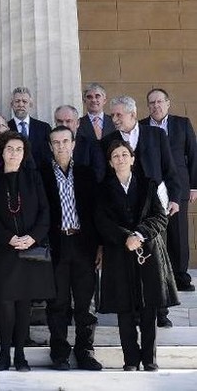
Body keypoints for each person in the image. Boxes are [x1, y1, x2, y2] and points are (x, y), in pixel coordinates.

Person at [95, 140, 178, 372]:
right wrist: (126, 237)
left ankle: (150, 360)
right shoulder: (102, 189)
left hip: (148, 253)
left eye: (124, 154)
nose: (120, 159)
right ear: (110, 163)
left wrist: (139, 234)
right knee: (125, 310)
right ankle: (130, 360)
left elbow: (160, 217)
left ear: (132, 159)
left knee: (149, 308)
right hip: (119, 254)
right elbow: (101, 221)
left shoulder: (149, 184)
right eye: (115, 156)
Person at [101, 95, 181, 328]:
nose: (114, 119)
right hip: (124, 211)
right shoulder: (108, 140)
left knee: (157, 259)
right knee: (131, 262)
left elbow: (170, 169)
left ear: (133, 114)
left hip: (154, 208)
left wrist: (175, 198)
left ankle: (161, 311)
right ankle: (135, 308)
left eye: (118, 115)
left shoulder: (156, 135)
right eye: (112, 115)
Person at [0, 131, 55, 372]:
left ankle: (21, 355)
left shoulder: (33, 177)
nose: (14, 153)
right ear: (2, 152)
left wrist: (32, 237)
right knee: (4, 304)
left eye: (19, 149)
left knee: (24, 304)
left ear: (25, 154)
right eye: (10, 149)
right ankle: (4, 355)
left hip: (30, 249)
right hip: (2, 250)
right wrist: (9, 238)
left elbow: (45, 211)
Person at [40, 126, 102, 371]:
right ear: (50, 146)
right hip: (56, 245)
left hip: (83, 245)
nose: (61, 146)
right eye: (56, 142)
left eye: (66, 141)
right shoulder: (42, 174)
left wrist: (100, 246)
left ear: (74, 144)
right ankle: (60, 353)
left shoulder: (86, 174)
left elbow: (97, 212)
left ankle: (85, 351)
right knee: (57, 303)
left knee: (86, 304)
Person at [140, 88, 197, 292]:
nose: (156, 106)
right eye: (152, 103)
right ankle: (159, 276)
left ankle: (181, 276)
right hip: (152, 190)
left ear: (168, 103)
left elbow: (193, 154)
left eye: (159, 102)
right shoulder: (141, 126)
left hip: (178, 187)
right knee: (155, 232)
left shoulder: (182, 124)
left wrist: (193, 186)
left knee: (178, 234)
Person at [54, 105, 106, 182]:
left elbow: (99, 173)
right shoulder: (48, 145)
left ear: (78, 123)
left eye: (68, 121)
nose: (64, 125)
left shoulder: (92, 145)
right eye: (60, 121)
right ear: (55, 123)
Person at [7, 87, 51, 165]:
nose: (21, 104)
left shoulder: (44, 128)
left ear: (30, 104)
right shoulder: (6, 128)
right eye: (17, 101)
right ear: (11, 104)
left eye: (24, 101)